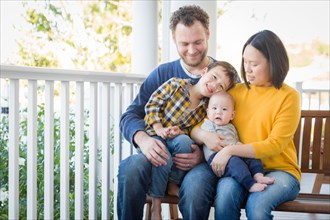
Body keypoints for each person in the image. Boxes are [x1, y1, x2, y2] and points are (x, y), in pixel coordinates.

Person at [117, 5, 231, 220]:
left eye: (197, 42)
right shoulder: (163, 74)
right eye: (184, 43)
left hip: (200, 162)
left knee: (196, 188)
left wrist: (203, 156)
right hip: (158, 151)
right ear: (173, 39)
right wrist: (143, 140)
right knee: (130, 168)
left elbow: (235, 127)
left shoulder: (223, 77)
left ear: (208, 33)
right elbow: (130, 116)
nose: (191, 50)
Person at [191, 30, 301, 219]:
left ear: (273, 63)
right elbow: (198, 127)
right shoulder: (235, 92)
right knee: (225, 196)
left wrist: (230, 150)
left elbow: (275, 145)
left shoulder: (288, 96)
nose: (247, 69)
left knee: (257, 206)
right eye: (245, 62)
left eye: (254, 64)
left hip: (282, 171)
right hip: (241, 168)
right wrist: (204, 136)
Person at [145, 61, 238, 219]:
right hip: (155, 135)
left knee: (183, 141)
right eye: (214, 77)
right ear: (204, 71)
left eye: (221, 86)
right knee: (161, 151)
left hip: (175, 141)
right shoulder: (176, 85)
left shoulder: (205, 110)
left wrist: (179, 131)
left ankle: (172, 184)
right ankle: (156, 205)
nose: (214, 85)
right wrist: (159, 127)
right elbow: (153, 104)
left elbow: (190, 130)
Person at [202, 91, 275, 192]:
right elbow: (213, 142)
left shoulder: (231, 127)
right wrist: (234, 147)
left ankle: (259, 175)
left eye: (224, 109)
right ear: (208, 112)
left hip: (232, 152)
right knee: (236, 164)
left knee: (252, 156)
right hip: (216, 157)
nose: (218, 112)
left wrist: (239, 146)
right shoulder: (208, 124)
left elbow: (235, 140)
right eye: (214, 108)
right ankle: (250, 185)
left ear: (232, 115)